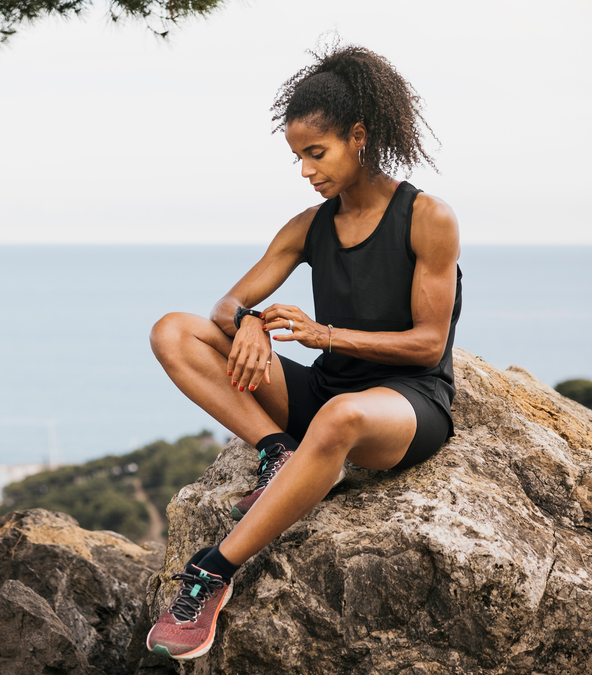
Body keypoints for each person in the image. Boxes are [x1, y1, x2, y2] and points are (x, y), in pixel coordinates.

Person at [144, 41, 462, 661]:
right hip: (323, 393)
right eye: (297, 157)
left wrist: (327, 335)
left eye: (316, 154)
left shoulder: (427, 217)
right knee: (172, 330)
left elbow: (429, 342)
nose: (306, 170)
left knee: (343, 416)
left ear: (359, 137)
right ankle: (276, 452)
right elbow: (225, 307)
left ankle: (211, 571)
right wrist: (254, 325)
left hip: (407, 402)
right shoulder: (308, 225)